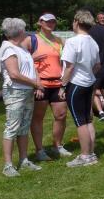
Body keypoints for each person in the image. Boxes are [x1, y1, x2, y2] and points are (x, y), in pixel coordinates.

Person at [0, 18, 43, 176]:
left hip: (26, 91)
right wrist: (35, 84)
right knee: (12, 127)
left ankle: (24, 160)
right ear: (19, 31)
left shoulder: (21, 48)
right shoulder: (9, 49)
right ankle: (8, 166)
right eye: (24, 29)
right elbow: (14, 74)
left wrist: (35, 83)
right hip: (15, 92)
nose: (26, 32)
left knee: (23, 127)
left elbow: (31, 68)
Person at [24, 13, 72, 161]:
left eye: (53, 21)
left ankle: (57, 146)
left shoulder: (59, 40)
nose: (51, 24)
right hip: (40, 84)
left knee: (61, 115)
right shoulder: (31, 39)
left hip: (58, 84)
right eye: (47, 21)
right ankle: (40, 150)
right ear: (40, 22)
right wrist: (36, 84)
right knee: (38, 118)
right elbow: (20, 59)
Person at [59, 10, 101, 167]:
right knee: (87, 119)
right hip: (89, 84)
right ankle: (91, 153)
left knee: (80, 121)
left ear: (77, 22)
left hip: (76, 85)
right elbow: (98, 65)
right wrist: (89, 74)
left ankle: (85, 156)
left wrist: (62, 86)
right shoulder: (93, 42)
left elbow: (69, 68)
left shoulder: (72, 42)